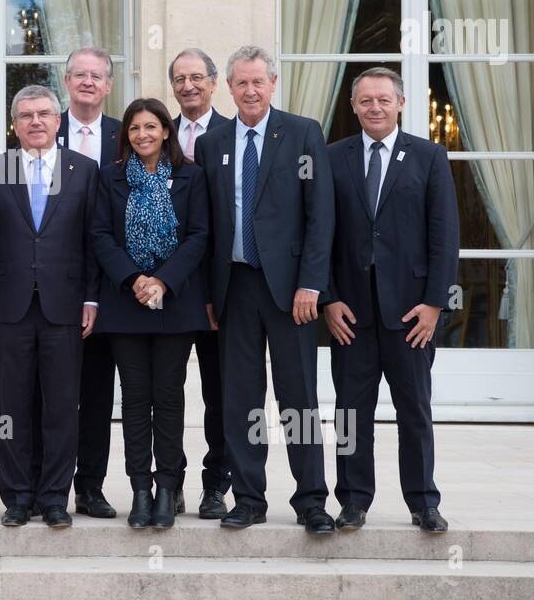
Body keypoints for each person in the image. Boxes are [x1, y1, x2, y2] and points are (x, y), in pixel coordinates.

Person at [195, 45, 336, 535]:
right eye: (241, 83)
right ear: (228, 88)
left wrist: (311, 284)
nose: (250, 91)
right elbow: (209, 225)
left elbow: (321, 218)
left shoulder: (302, 133)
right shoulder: (212, 143)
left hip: (291, 291)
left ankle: (311, 501)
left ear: (273, 84)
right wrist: (210, 293)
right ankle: (248, 498)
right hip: (234, 287)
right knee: (241, 399)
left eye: (259, 82)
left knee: (298, 398)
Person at [324, 68, 458, 534]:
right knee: (350, 414)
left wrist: (434, 304)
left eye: (383, 99)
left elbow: (444, 237)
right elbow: (321, 236)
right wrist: (329, 299)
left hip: (410, 315)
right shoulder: (332, 158)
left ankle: (424, 502)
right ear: (353, 106)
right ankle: (354, 502)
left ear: (401, 103)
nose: (374, 107)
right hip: (351, 315)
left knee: (414, 411)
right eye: (365, 101)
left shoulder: (428, 156)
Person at [0, 85, 99, 529]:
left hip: (64, 306)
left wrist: (91, 296)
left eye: (44, 113)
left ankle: (53, 497)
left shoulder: (83, 170)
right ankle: (16, 496)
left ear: (58, 120)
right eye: (26, 115)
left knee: (62, 406)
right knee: (12, 407)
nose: (36, 122)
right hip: (7, 307)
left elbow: (93, 239)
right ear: (14, 125)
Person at [91, 98, 209, 529]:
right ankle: (140, 488)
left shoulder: (191, 177)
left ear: (165, 131)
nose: (143, 135)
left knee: (169, 397)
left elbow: (199, 236)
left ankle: (167, 488)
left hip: (175, 303)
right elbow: (101, 235)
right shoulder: (111, 178)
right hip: (126, 304)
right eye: (135, 128)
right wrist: (135, 279)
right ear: (127, 135)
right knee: (135, 399)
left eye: (151, 127)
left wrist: (162, 280)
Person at [56, 46, 122, 519]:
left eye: (96, 76)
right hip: (47, 283)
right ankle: (48, 484)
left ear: (108, 86)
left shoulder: (127, 135)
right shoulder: (38, 126)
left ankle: (91, 487)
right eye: (79, 74)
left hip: (109, 284)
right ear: (66, 81)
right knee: (50, 393)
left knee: (97, 393)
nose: (87, 82)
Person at [167, 47, 232, 518]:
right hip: (168, 288)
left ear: (213, 82)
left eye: (196, 77)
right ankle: (170, 483)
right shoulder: (155, 133)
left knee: (220, 394)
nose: (187, 86)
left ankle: (217, 484)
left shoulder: (235, 134)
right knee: (166, 393)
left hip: (220, 289)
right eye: (178, 78)